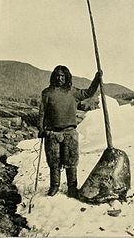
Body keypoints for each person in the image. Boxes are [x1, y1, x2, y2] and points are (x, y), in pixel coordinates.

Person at [38, 65, 102, 198]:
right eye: (57, 75)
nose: (60, 78)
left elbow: (89, 93)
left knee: (71, 161)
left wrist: (97, 79)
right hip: (52, 133)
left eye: (62, 76)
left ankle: (72, 188)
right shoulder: (47, 93)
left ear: (67, 77)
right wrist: (41, 129)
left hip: (70, 132)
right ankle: (54, 186)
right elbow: (42, 112)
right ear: (53, 77)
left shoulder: (72, 92)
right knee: (54, 162)